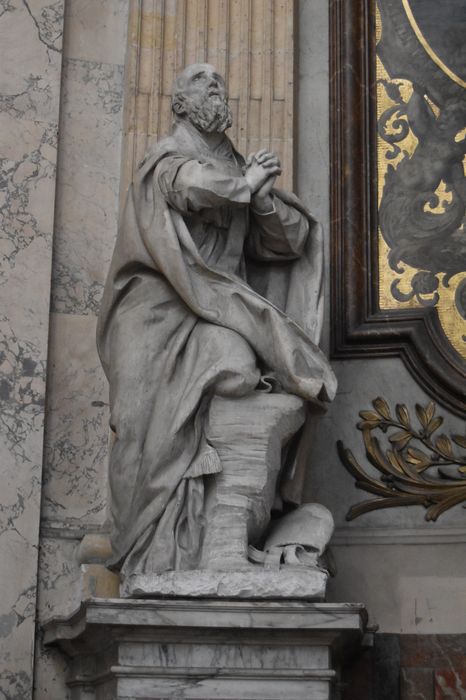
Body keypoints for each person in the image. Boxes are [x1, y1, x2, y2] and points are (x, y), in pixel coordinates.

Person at [97, 64, 337, 577]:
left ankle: (203, 533)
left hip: (214, 307)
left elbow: (287, 244)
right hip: (155, 313)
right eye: (201, 81)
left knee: (238, 363)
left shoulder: (236, 167)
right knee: (140, 428)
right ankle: (146, 546)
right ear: (179, 105)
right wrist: (244, 184)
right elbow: (190, 187)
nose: (214, 85)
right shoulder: (165, 159)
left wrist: (264, 198)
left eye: (219, 82)